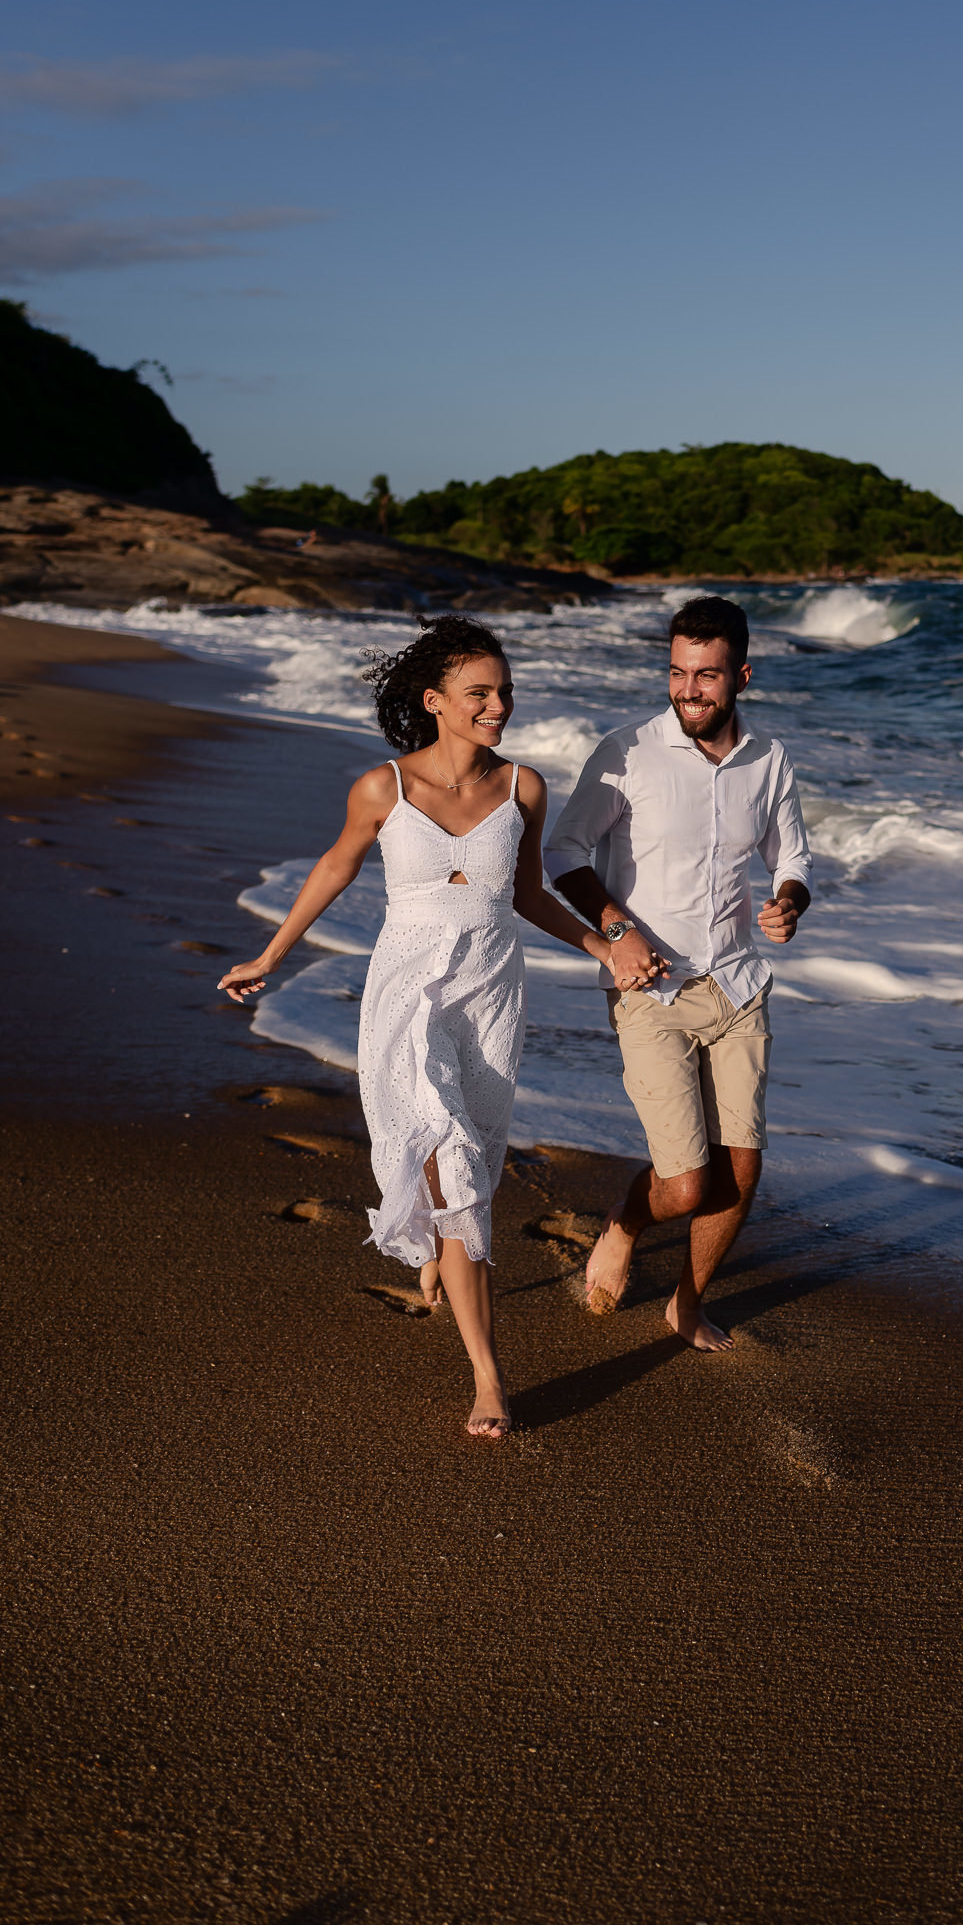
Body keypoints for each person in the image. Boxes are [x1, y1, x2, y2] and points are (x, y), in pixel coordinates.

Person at [218, 616, 621, 1439]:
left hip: (491, 994)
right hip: (406, 991)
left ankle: (441, 1256)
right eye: (480, 693)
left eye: (504, 691)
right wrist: (271, 954)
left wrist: (601, 946)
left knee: (474, 1151)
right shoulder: (383, 789)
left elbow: (528, 896)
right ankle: (488, 1375)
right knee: (451, 1164)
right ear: (435, 701)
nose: (498, 705)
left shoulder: (523, 789)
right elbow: (337, 864)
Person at [544, 594, 813, 1352]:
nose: (689, 690)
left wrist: (788, 901)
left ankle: (686, 1304)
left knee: (743, 1173)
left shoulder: (769, 760)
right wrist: (618, 932)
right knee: (687, 1183)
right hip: (650, 989)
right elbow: (563, 853)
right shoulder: (627, 750)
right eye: (677, 672)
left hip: (736, 985)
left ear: (742, 675)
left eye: (707, 676)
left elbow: (791, 858)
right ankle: (627, 1222)